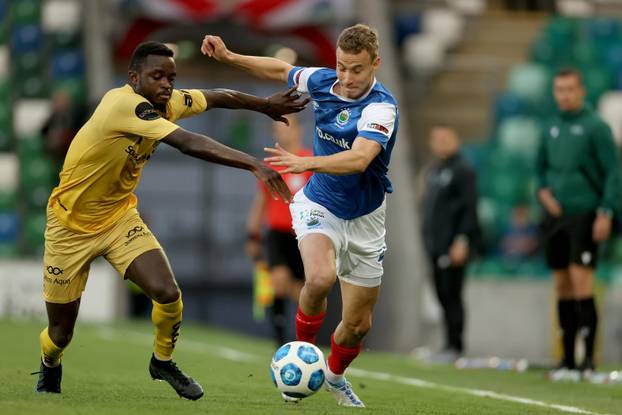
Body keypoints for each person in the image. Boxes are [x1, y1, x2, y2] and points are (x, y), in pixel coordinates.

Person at [33, 41, 309, 400]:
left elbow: (217, 95)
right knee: (60, 334)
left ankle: (162, 361)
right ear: (134, 78)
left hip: (118, 219)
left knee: (167, 293)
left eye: (171, 77)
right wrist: (253, 163)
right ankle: (50, 362)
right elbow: (189, 143)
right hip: (69, 227)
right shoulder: (124, 105)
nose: (166, 84)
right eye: (157, 76)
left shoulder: (169, 101)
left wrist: (264, 105)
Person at [202, 23, 398, 408]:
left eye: (356, 69)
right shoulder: (324, 82)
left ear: (375, 63)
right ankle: (299, 356)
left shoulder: (381, 107)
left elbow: (359, 159)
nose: (346, 77)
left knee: (357, 326)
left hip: (367, 218)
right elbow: (279, 70)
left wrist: (304, 161)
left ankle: (336, 377)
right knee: (321, 277)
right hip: (318, 204)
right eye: (341, 66)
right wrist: (229, 57)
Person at [536, 68, 622, 374]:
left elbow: (613, 172)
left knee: (581, 281)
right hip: (555, 218)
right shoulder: (550, 127)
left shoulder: (596, 127)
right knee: (562, 285)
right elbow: (541, 171)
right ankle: (567, 360)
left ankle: (588, 361)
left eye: (570, 89)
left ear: (581, 91)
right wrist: (544, 194)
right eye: (559, 90)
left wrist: (606, 211)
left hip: (585, 212)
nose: (565, 95)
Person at [245, 115, 312, 346]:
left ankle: (305, 337)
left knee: (302, 291)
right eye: (277, 129)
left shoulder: (310, 161)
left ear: (299, 130)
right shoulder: (271, 166)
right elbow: (261, 201)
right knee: (279, 280)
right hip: (277, 232)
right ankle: (279, 338)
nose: (281, 133)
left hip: (304, 234)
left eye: (286, 127)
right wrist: (252, 234)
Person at [420, 125, 479, 362]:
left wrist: (462, 240)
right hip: (436, 245)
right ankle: (447, 344)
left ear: (456, 140)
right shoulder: (435, 170)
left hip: (453, 245)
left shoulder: (463, 170)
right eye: (436, 139)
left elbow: (470, 207)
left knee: (452, 294)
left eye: (445, 138)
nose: (441, 143)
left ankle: (456, 345)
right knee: (442, 294)